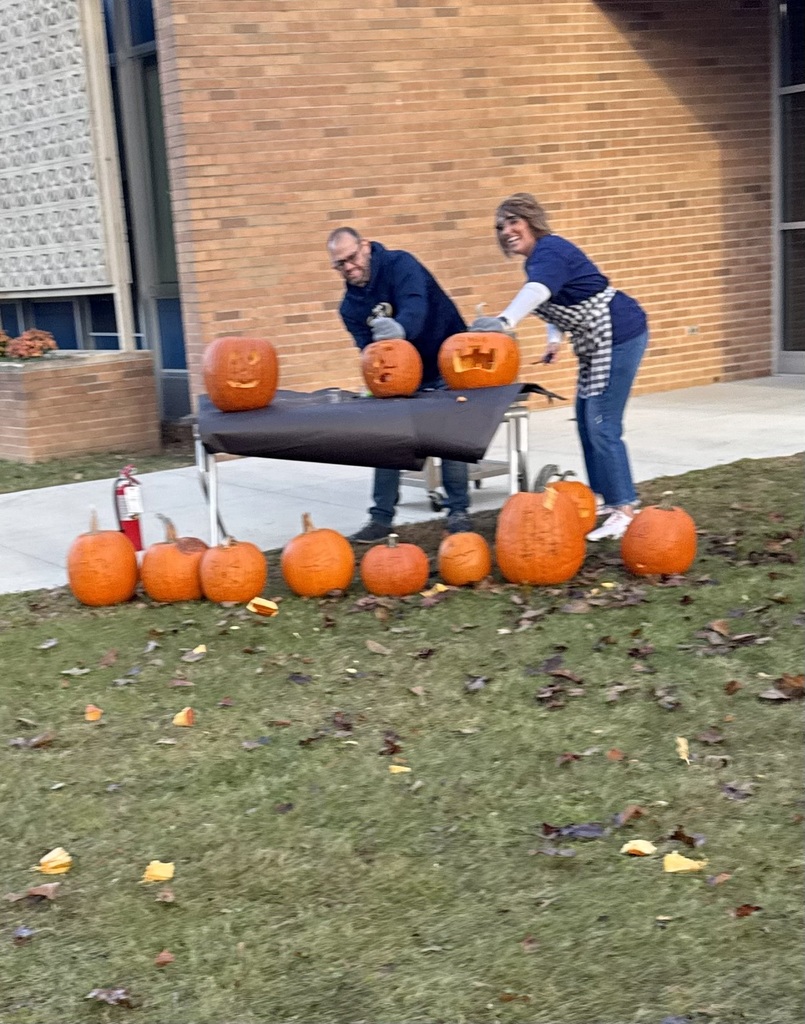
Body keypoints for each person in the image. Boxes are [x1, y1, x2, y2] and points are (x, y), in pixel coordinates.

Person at [469, 193, 649, 541]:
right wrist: (554, 339)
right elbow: (555, 300)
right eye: (500, 226)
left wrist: (505, 321)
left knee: (602, 424)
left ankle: (625, 507)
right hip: (596, 343)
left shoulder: (550, 251)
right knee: (585, 420)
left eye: (513, 222)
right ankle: (608, 501)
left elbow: (538, 292)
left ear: (531, 220)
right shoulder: (538, 260)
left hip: (620, 334)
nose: (506, 231)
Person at [326, 227, 472, 542]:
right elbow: (371, 354)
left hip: (448, 359)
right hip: (404, 375)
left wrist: (399, 329)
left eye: (352, 258)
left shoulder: (401, 265)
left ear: (365, 247)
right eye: (340, 264)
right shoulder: (350, 308)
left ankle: (458, 511)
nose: (349, 267)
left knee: (450, 438)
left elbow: (415, 307)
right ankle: (381, 518)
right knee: (387, 437)